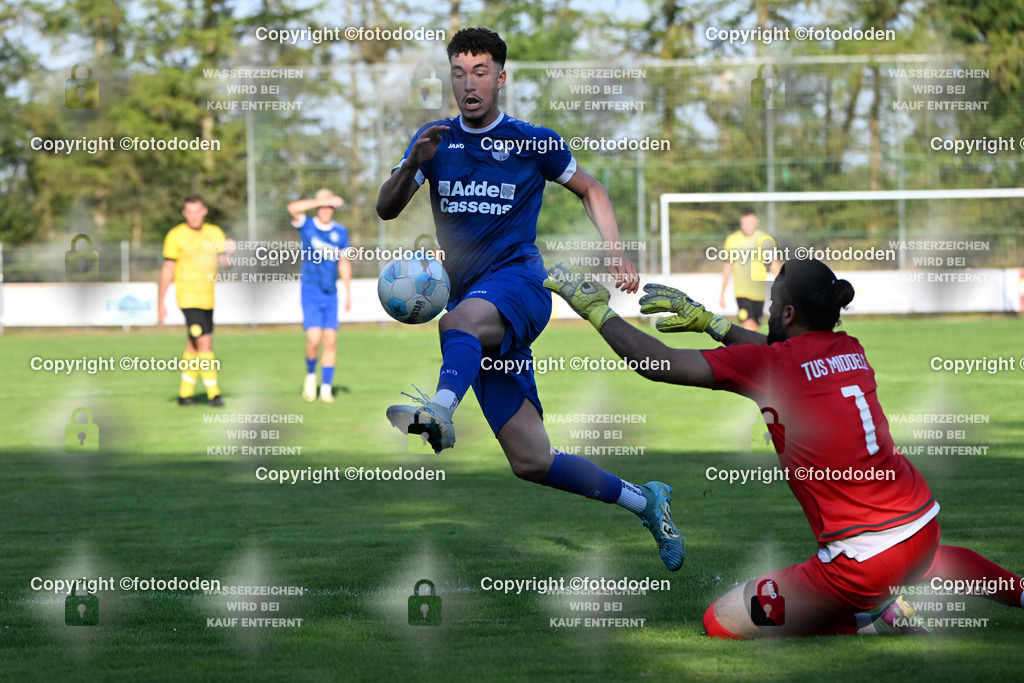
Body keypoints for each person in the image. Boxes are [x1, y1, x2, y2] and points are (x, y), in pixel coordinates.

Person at [545, 258, 1024, 637]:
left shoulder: (772, 366)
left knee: (722, 621)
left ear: (789, 313)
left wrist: (596, 311)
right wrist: (712, 323)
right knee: (925, 560)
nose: (769, 312)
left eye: (774, 306)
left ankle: (871, 617)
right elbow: (781, 355)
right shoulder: (848, 348)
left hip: (859, 565)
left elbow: (657, 363)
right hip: (922, 527)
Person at [375, 27, 684, 571]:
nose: (468, 83)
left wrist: (615, 252)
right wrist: (411, 163)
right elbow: (386, 208)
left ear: (500, 76)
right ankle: (645, 501)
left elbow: (592, 188)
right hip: (477, 308)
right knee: (531, 460)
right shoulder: (434, 138)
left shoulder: (532, 141)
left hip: (520, 286)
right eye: (458, 72)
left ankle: (441, 411)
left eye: (480, 72)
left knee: (457, 325)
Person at [158, 194, 232, 406]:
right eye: (189, 212)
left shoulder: (215, 232)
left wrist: (229, 253)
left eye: (196, 211)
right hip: (188, 297)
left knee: (193, 345)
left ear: (204, 211)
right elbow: (168, 268)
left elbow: (225, 263)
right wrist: (160, 301)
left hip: (208, 298)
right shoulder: (176, 235)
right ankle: (214, 394)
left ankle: (184, 394)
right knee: (204, 341)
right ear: (184, 213)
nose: (193, 216)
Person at [287, 188, 352, 403]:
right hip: (310, 289)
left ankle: (325, 388)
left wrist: (348, 291)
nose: (325, 210)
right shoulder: (307, 226)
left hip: (330, 293)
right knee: (314, 340)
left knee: (330, 341)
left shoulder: (340, 232)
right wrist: (319, 200)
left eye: (329, 206)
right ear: (317, 207)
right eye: (322, 206)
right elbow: (292, 208)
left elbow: (344, 261)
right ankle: (310, 375)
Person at [719, 208, 780, 331]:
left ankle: (750, 350)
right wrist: (722, 293)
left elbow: (774, 264)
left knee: (755, 328)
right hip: (741, 291)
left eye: (750, 223)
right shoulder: (732, 240)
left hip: (759, 293)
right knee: (748, 325)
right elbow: (728, 266)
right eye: (744, 223)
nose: (747, 227)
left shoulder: (765, 239)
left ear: (756, 221)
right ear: (740, 223)